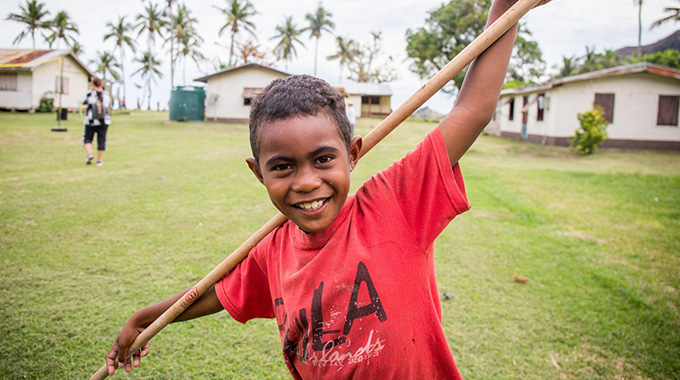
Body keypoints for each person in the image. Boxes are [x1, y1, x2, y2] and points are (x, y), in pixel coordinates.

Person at [105, 0, 551, 378]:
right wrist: (142, 321)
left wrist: (508, 6)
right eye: (282, 167)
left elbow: (472, 110)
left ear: (353, 153)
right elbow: (216, 292)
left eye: (323, 159)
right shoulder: (271, 250)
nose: (306, 182)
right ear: (258, 173)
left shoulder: (394, 204)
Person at [82, 76, 111, 166]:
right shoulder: (105, 95)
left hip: (91, 120)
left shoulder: (89, 94)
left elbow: (84, 102)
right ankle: (99, 160)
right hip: (104, 121)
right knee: (101, 140)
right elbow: (107, 105)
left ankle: (90, 154)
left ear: (92, 84)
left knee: (87, 138)